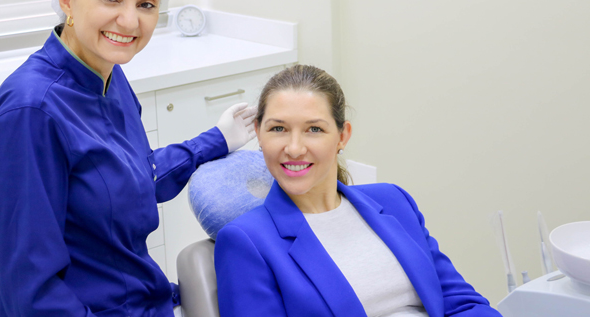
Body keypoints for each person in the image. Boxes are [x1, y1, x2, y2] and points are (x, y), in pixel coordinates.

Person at [0, 0, 256, 317]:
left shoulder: (107, 74)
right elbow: (33, 293)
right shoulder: (31, 113)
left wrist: (216, 140)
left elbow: (132, 176)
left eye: (146, 4)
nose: (129, 20)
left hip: (139, 298)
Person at [214, 65, 502, 317]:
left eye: (314, 129)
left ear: (343, 136)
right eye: (278, 129)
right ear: (259, 133)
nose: (295, 148)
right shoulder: (245, 241)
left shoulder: (394, 201)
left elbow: (463, 304)